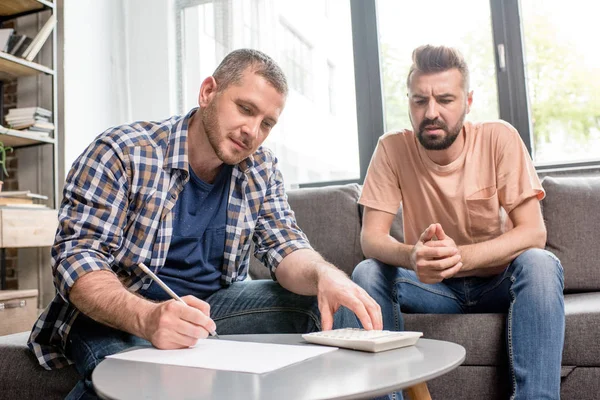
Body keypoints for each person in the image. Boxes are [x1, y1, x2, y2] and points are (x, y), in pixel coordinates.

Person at [28, 48, 382, 399]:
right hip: (122, 312)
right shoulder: (122, 151)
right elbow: (77, 259)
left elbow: (284, 246)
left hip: (212, 311)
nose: (252, 131)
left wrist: (326, 275)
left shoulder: (261, 167)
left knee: (328, 305)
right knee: (150, 384)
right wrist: (148, 318)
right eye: (245, 109)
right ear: (208, 92)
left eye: (267, 123)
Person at [352, 45, 564, 399]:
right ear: (408, 102)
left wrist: (461, 257)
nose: (431, 112)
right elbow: (371, 239)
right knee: (366, 273)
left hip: (498, 282)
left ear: (468, 101)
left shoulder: (499, 138)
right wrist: (412, 256)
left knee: (540, 263)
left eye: (445, 100)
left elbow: (533, 232)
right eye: (419, 101)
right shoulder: (391, 148)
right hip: (433, 288)